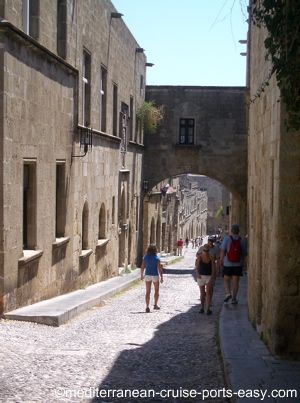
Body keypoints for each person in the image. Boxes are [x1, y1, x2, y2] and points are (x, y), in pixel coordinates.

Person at [220, 224, 247, 305]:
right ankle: (234, 299)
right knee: (236, 281)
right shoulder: (242, 240)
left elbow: (222, 250)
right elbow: (244, 253)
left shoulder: (227, 238)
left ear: (231, 230)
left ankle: (228, 293)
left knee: (226, 279)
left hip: (227, 263)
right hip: (237, 264)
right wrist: (242, 262)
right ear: (238, 231)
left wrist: (221, 260)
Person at [140, 244, 163, 313]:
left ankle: (147, 307)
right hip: (155, 275)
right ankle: (155, 305)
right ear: (155, 250)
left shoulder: (145, 257)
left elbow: (142, 267)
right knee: (156, 291)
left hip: (147, 275)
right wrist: (161, 277)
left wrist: (141, 275)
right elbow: (159, 269)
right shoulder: (157, 258)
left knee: (147, 292)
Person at [195, 243, 217, 315]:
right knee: (202, 293)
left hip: (208, 276)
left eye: (206, 251)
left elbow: (213, 269)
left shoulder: (211, 257)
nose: (205, 252)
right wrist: (197, 274)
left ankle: (207, 309)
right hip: (201, 276)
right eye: (205, 251)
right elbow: (197, 267)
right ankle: (202, 307)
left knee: (208, 293)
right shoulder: (200, 257)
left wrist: (212, 278)